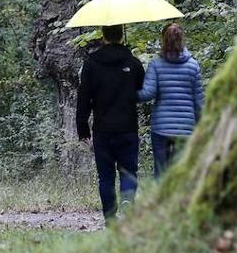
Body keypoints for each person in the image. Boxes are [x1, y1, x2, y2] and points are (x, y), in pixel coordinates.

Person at [75, 23, 144, 220]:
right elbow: (142, 90)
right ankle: (127, 203)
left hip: (102, 129)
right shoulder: (133, 62)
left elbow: (84, 97)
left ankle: (110, 219)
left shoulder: (91, 63)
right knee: (129, 172)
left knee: (105, 177)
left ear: (103, 35)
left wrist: (83, 129)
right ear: (122, 34)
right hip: (128, 127)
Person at [138, 22, 204, 178]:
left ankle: (159, 202)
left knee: (160, 173)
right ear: (182, 39)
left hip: (161, 127)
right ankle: (179, 202)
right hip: (186, 128)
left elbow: (148, 93)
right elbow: (199, 102)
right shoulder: (193, 66)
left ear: (163, 40)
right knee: (181, 173)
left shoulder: (156, 64)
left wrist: (129, 93)